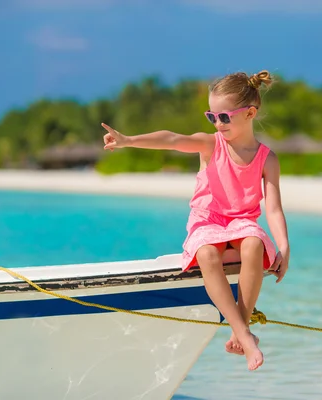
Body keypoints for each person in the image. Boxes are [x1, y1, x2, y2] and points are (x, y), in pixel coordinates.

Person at [101, 70, 290, 371]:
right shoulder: (211, 145)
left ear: (250, 113)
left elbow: (275, 209)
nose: (218, 124)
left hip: (241, 221)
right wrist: (128, 140)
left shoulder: (267, 159)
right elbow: (173, 139)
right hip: (209, 221)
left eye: (224, 117)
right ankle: (244, 333)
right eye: (211, 117)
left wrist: (283, 247)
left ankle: (239, 328)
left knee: (254, 243)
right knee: (206, 253)